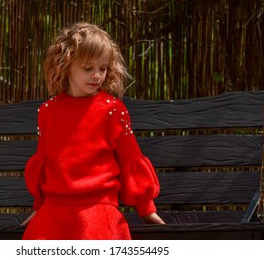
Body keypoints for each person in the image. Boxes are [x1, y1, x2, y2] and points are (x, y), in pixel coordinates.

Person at [22, 22, 164, 240]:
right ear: (65, 65)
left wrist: (147, 208)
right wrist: (39, 205)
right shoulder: (48, 112)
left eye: (103, 68)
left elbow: (130, 160)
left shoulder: (113, 111)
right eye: (88, 68)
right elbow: (45, 160)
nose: (97, 75)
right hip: (54, 210)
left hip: (99, 212)